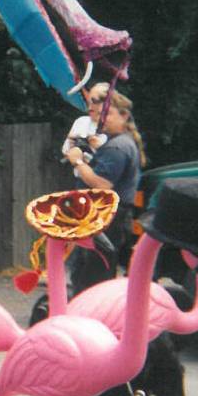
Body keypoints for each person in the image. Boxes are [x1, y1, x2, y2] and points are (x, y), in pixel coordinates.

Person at [65, 88, 145, 287]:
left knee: (92, 278)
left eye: (107, 114)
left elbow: (102, 184)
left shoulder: (118, 147)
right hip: (108, 218)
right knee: (89, 272)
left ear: (124, 116)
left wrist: (77, 161)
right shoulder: (118, 143)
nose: (102, 120)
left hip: (108, 219)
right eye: (101, 115)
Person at [61, 81, 109, 165]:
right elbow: (65, 151)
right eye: (88, 102)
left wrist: (98, 148)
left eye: (95, 102)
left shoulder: (114, 127)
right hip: (80, 171)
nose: (90, 107)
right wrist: (71, 144)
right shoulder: (81, 121)